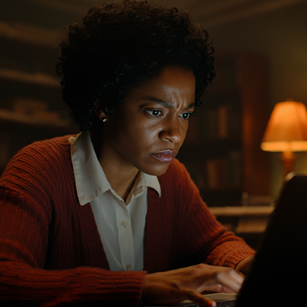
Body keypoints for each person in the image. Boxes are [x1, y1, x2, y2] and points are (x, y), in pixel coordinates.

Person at [0, 1, 255, 306]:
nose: (174, 133)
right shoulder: (39, 170)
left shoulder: (174, 179)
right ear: (103, 105)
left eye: (185, 115)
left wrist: (246, 263)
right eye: (155, 111)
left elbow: (214, 241)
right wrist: (140, 287)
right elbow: (6, 279)